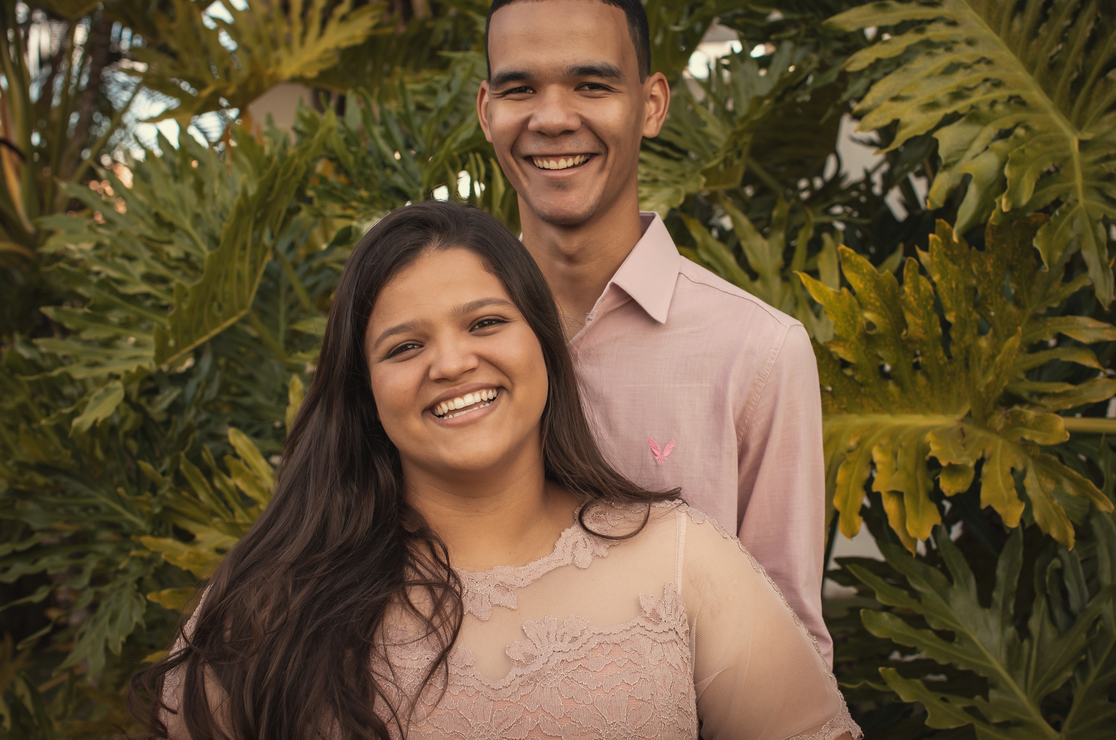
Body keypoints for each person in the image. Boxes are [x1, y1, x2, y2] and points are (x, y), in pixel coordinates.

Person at [129, 202, 859, 740]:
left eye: (484, 324)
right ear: (364, 390)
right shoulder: (271, 600)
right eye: (405, 347)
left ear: (543, 345)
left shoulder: (680, 562)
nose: (451, 363)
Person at [476, 0, 833, 666]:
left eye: (591, 85)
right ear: (488, 110)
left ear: (652, 103)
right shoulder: (444, 348)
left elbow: (787, 651)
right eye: (521, 89)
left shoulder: (756, 353)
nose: (552, 118)